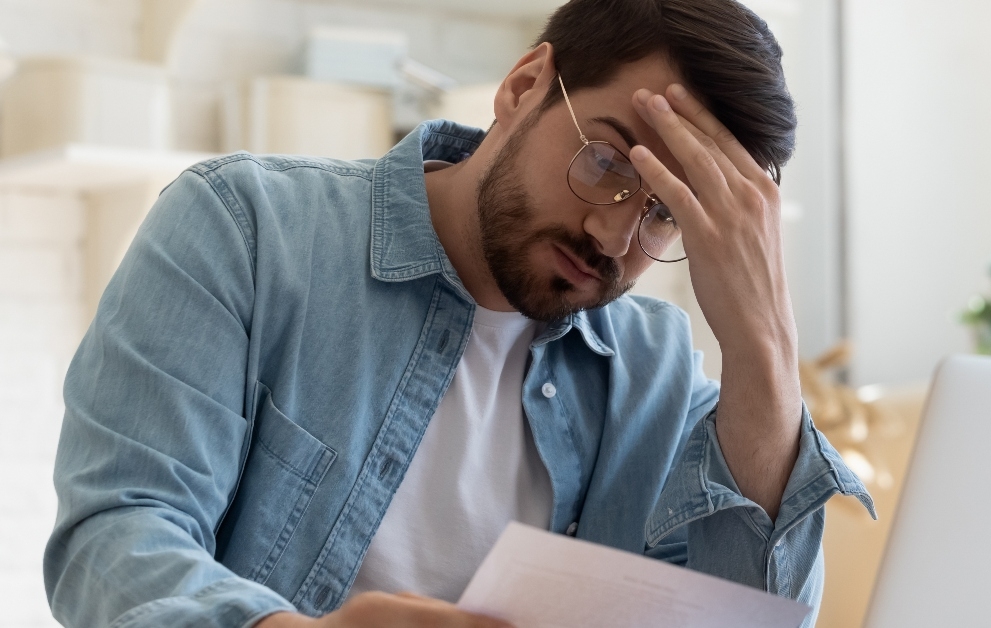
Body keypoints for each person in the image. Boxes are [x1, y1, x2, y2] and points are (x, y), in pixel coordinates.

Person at [44, 0, 874, 626]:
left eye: (665, 213)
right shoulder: (248, 230)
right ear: (522, 88)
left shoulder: (653, 368)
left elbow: (735, 615)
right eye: (607, 160)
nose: (613, 232)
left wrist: (764, 348)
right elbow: (114, 536)